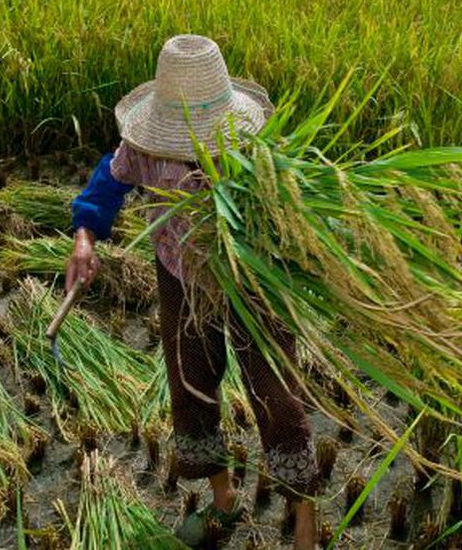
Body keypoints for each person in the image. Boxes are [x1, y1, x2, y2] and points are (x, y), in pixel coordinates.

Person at [65, 34, 320, 549]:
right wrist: (84, 238)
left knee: (276, 394)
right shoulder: (144, 147)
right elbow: (106, 185)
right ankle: (223, 500)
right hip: (180, 277)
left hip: (252, 280)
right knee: (190, 385)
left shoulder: (252, 147)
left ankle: (305, 518)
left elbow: (293, 211)